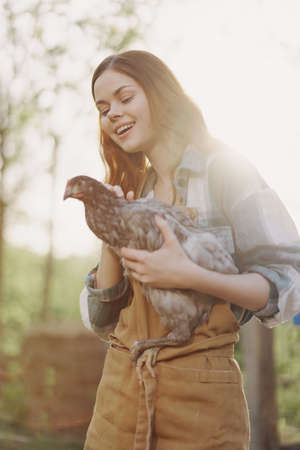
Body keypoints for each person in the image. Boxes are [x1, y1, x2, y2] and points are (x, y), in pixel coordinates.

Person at [79, 50, 300, 450]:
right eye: (102, 107)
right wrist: (110, 236)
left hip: (200, 405)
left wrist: (193, 277)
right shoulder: (133, 191)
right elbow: (102, 321)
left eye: (125, 98)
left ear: (161, 95)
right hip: (119, 399)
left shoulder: (226, 170)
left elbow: (288, 285)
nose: (112, 114)